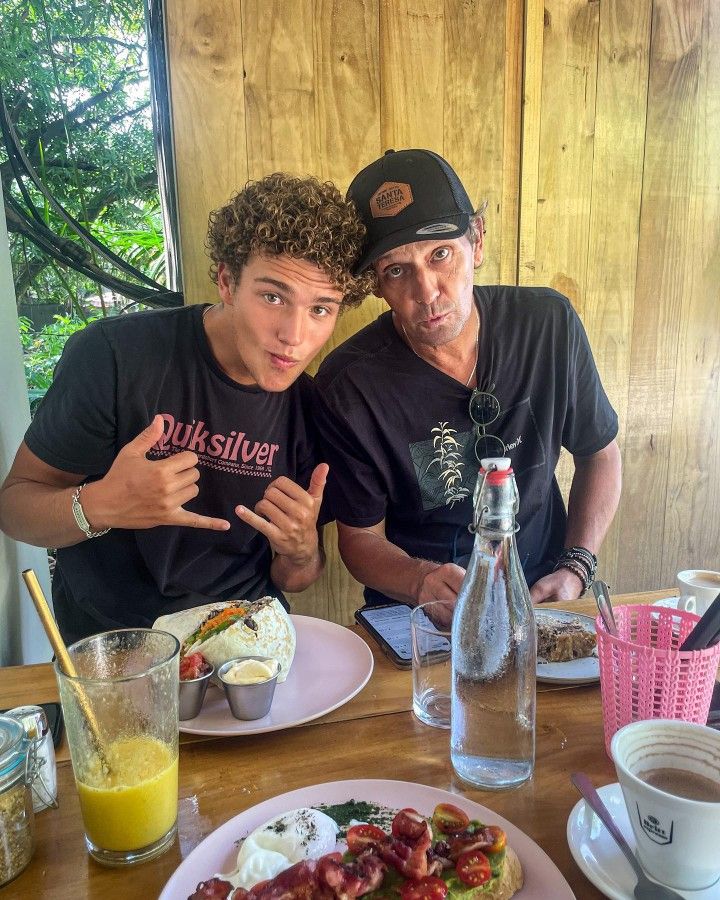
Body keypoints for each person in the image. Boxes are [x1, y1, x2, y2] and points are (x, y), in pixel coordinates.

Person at [0, 173, 374, 642]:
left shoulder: (313, 408)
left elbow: (292, 579)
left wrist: (300, 553)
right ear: (226, 280)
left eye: (321, 308)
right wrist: (101, 505)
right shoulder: (115, 356)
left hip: (243, 644)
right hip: (114, 647)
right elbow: (15, 508)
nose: (294, 336)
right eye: (273, 296)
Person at [313, 149, 622, 609]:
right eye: (397, 270)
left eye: (441, 255)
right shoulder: (349, 384)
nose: (428, 291)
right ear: (376, 283)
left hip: (540, 595)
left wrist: (576, 566)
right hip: (419, 609)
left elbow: (600, 455)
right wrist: (420, 581)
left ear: (476, 240)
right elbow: (359, 537)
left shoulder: (547, 325)